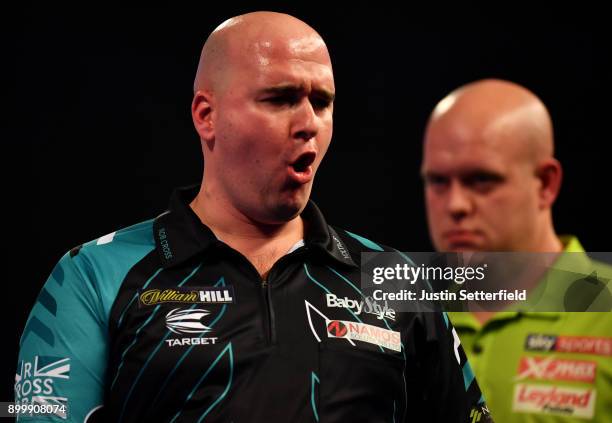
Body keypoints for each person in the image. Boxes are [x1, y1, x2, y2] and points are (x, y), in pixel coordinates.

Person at [15, 12, 491, 423]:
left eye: (321, 102)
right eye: (281, 98)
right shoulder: (92, 276)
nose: (308, 123)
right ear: (207, 115)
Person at [421, 78, 612, 422]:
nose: (456, 204)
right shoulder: (403, 318)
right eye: (438, 181)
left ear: (545, 184)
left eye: (481, 179)